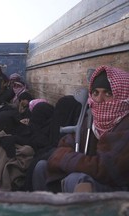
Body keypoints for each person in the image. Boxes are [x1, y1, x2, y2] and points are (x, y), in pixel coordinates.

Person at [32, 65, 129, 193]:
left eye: (108, 93)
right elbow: (66, 143)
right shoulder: (92, 121)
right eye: (95, 93)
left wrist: (65, 158)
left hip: (118, 189)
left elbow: (104, 168)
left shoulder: (124, 125)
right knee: (41, 168)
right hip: (89, 175)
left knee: (76, 179)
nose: (100, 100)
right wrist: (67, 157)